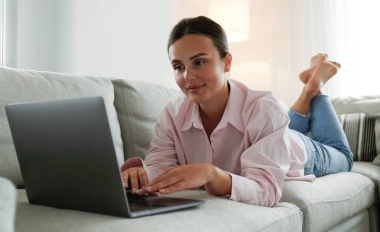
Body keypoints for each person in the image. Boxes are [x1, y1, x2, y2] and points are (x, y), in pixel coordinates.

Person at [120, 16, 353, 207]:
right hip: (275, 135)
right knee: (282, 125)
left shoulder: (263, 108)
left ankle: (314, 87)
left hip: (299, 152)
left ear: (227, 62)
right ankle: (309, 87)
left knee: (344, 156)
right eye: (178, 67)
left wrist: (212, 174)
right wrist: (142, 174)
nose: (188, 77)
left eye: (199, 62)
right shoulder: (172, 114)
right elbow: (162, 166)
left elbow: (266, 191)